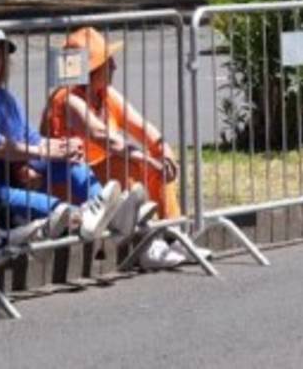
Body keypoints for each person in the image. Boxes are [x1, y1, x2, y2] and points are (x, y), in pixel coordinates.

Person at [0, 29, 137, 242]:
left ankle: (109, 211)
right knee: (59, 210)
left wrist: (61, 147)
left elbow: (31, 139)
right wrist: (42, 151)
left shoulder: (4, 97)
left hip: (14, 177)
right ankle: (90, 217)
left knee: (72, 162)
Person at [42, 27, 201, 269]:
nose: (114, 66)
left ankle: (174, 236)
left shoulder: (105, 94)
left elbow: (142, 127)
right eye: (107, 62)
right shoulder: (67, 98)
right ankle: (146, 243)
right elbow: (104, 137)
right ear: (90, 70)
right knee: (132, 165)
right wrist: (147, 159)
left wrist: (162, 149)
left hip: (101, 181)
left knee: (151, 165)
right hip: (73, 185)